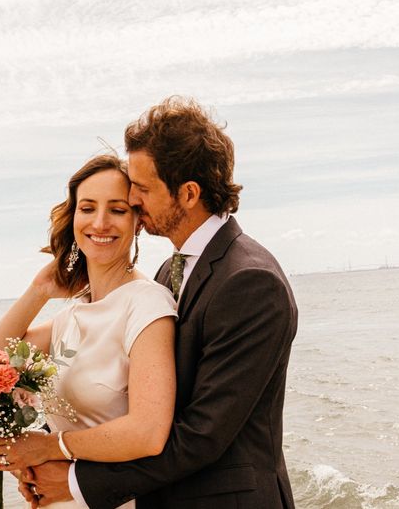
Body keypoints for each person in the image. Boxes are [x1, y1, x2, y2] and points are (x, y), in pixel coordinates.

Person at [26, 96, 299, 509]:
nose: (133, 199)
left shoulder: (250, 283)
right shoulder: (168, 272)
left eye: (143, 188)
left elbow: (201, 435)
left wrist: (76, 479)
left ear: (188, 194)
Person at [0, 154, 179, 509]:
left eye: (117, 210)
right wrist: (40, 289)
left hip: (111, 499)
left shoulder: (147, 304)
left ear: (138, 221)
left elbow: (147, 434)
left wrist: (45, 448)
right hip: (58, 498)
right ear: (73, 217)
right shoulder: (73, 313)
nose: (100, 223)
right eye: (87, 208)